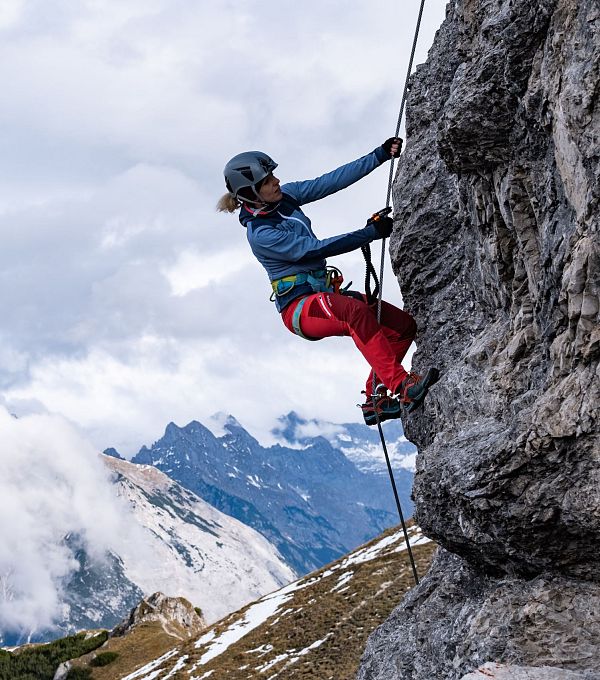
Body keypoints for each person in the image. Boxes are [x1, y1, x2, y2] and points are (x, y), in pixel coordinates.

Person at [217, 139, 439, 424]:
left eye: (272, 175)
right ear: (250, 194)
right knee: (355, 312)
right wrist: (369, 233)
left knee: (402, 327)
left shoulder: (285, 197)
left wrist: (379, 155)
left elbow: (329, 182)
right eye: (268, 180)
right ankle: (403, 386)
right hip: (299, 308)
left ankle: (377, 396)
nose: (277, 181)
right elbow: (316, 249)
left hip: (323, 295)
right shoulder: (261, 234)